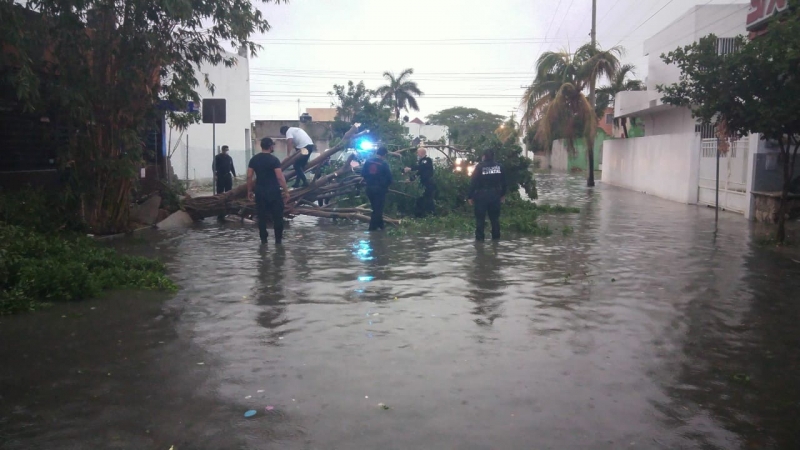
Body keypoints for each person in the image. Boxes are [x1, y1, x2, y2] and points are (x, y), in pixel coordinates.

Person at [247, 137, 291, 245]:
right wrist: (286, 191)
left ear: (261, 146)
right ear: (271, 146)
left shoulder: (254, 159)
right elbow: (280, 177)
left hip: (260, 191)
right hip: (274, 192)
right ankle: (278, 241)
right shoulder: (274, 160)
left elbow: (249, 177)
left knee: (261, 216)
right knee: (277, 216)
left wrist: (249, 191)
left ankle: (263, 240)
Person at [468, 150, 506, 241]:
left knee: (480, 220)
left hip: (481, 196)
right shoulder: (499, 167)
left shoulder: (479, 167)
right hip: (495, 195)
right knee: (495, 219)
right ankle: (496, 241)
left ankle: (480, 242)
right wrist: (502, 195)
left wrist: (470, 196)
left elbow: (473, 182)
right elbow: (504, 183)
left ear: (484, 156)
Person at [361, 146, 393, 231]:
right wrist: (386, 186)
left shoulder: (368, 162)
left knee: (375, 208)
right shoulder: (384, 164)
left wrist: (368, 180)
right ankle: (371, 229)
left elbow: (363, 173)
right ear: (385, 155)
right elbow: (390, 178)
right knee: (377, 210)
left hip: (369, 189)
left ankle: (381, 227)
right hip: (379, 190)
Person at [404, 147, 435, 217]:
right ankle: (419, 215)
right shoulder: (421, 161)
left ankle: (431, 214)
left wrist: (410, 169)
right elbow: (419, 173)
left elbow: (421, 167)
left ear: (421, 153)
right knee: (420, 199)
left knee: (429, 199)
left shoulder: (427, 160)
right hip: (423, 184)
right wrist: (411, 179)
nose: (417, 154)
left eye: (418, 153)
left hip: (428, 184)